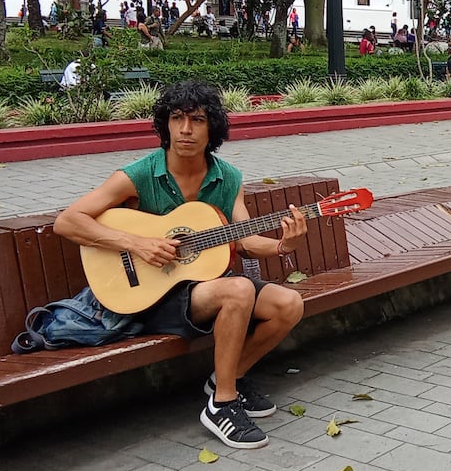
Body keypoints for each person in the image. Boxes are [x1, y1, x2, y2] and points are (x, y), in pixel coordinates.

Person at [53, 81, 308, 450]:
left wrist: (284, 245)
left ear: (212, 129)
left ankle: (226, 378)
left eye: (197, 120)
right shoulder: (140, 174)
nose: (185, 130)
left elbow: (243, 238)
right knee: (237, 290)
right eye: (177, 119)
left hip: (197, 289)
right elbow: (68, 221)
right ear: (165, 124)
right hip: (147, 295)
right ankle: (222, 404)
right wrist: (136, 243)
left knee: (289, 305)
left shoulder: (228, 178)